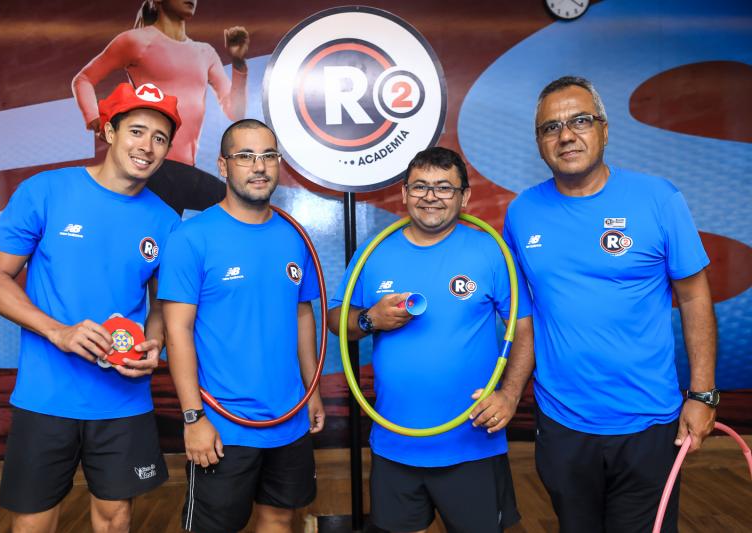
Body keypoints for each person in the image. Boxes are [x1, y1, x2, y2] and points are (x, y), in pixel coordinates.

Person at [503, 75, 718, 532]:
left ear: (604, 129)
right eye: (551, 127)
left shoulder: (658, 198)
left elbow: (694, 295)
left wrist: (702, 395)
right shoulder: (521, 213)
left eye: (580, 120)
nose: (566, 135)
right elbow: (523, 315)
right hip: (562, 423)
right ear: (539, 143)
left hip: (649, 422)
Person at [0, 82, 182, 532]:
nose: (147, 147)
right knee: (33, 520)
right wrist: (58, 331)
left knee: (115, 517)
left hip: (123, 399)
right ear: (109, 131)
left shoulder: (166, 220)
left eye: (160, 138)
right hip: (46, 395)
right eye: (137, 131)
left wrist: (155, 343)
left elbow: (162, 305)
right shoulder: (45, 191)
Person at [328, 147, 534, 533]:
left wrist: (508, 395)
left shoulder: (490, 252)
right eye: (420, 186)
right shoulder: (374, 252)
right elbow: (337, 320)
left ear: (464, 196)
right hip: (395, 443)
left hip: (472, 442)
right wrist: (372, 319)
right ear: (404, 193)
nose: (431, 196)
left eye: (444, 187)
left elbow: (522, 329)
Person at [159, 119, 325, 532]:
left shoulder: (294, 236)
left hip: (289, 418)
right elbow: (177, 332)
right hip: (222, 424)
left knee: (280, 519)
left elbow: (302, 314)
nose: (259, 166)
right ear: (223, 165)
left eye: (269, 156)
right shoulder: (191, 238)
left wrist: (312, 391)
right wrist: (193, 418)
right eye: (245, 156)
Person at [72, 0, 249, 215]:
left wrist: (238, 63)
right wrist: (95, 119)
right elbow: (83, 79)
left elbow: (235, 111)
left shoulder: (205, 52)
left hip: (184, 169)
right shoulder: (135, 40)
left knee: (237, 207)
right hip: (149, 165)